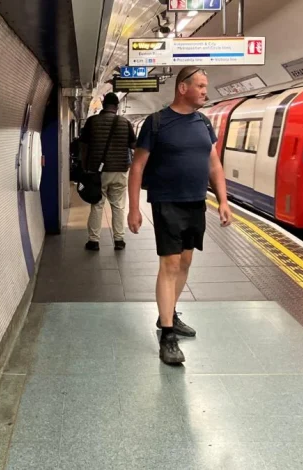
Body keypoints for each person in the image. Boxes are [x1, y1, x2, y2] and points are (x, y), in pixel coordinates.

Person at [127, 66, 232, 365]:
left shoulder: (203, 123)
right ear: (182, 88)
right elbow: (137, 167)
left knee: (185, 261)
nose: (204, 91)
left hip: (196, 202)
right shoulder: (157, 122)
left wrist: (223, 200)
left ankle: (168, 314)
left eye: (205, 86)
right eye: (199, 85)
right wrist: (134, 208)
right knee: (170, 263)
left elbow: (214, 165)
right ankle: (168, 336)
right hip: (166, 202)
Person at [78, 92, 137, 251]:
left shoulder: (92, 121)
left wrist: (85, 166)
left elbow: (83, 146)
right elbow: (134, 146)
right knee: (118, 206)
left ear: (103, 106)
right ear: (117, 107)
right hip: (120, 170)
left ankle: (94, 241)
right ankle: (119, 240)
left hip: (98, 171)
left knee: (97, 204)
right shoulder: (125, 123)